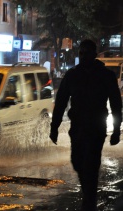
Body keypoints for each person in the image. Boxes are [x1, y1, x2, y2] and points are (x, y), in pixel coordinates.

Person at [49, 39, 122, 211]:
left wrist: (116, 131)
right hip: (78, 127)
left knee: (91, 162)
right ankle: (88, 194)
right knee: (77, 161)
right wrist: (54, 127)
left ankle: (89, 200)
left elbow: (116, 104)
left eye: (87, 52)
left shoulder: (106, 76)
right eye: (81, 53)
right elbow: (61, 102)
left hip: (96, 128)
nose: (83, 56)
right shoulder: (73, 75)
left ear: (94, 54)